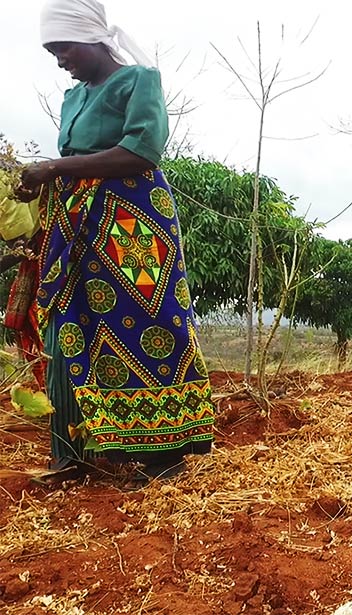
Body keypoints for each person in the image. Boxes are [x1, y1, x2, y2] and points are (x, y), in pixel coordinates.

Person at [16, 0, 215, 482]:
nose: (59, 59)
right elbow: (74, 158)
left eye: (63, 47)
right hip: (75, 221)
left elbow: (142, 150)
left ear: (90, 35)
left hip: (132, 222)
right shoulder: (72, 97)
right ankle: (70, 453)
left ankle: (163, 453)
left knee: (150, 319)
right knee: (70, 320)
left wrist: (54, 167)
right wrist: (39, 182)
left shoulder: (139, 79)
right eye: (51, 51)